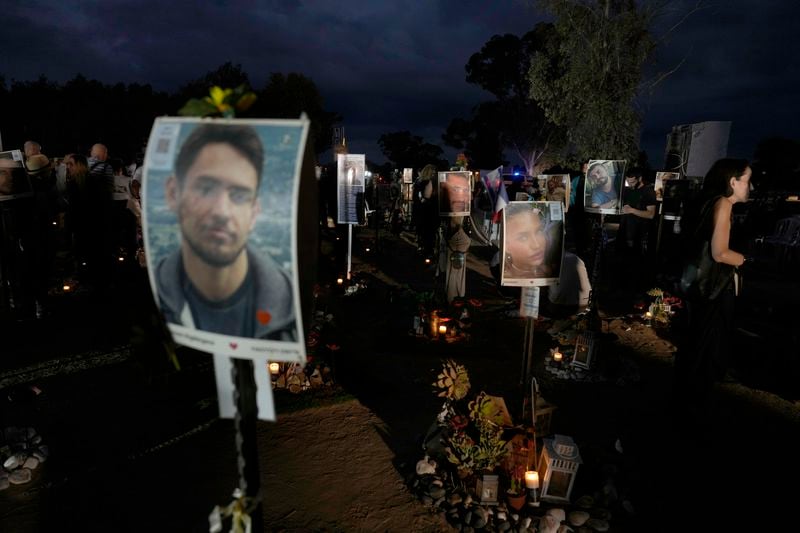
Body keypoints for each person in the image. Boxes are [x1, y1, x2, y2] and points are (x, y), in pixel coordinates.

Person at [154, 123, 297, 341]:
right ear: (173, 193)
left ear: (254, 213)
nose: (221, 211)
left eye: (239, 195)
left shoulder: (292, 314)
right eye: (206, 188)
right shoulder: (152, 299)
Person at [674, 158, 752, 420]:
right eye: (747, 180)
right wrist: (745, 260)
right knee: (706, 347)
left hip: (698, 285)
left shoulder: (705, 201)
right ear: (733, 181)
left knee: (695, 342)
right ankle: (692, 409)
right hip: (714, 287)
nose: (749, 187)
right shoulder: (723, 204)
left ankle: (685, 402)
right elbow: (720, 253)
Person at [502, 202, 560, 281]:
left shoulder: (556, 271)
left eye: (539, 231)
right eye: (523, 238)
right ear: (506, 246)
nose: (536, 245)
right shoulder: (503, 278)